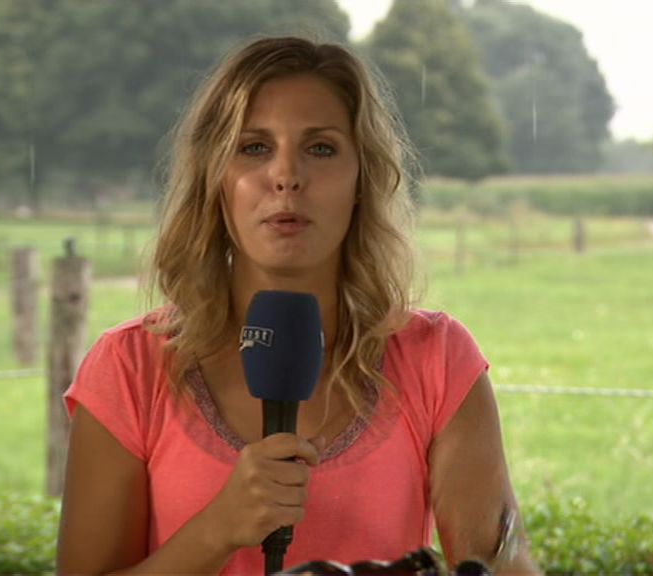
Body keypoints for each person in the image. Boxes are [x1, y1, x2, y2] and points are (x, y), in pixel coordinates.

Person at [55, 36, 540, 575]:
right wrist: (216, 530)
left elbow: (499, 561)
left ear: (362, 179)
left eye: (321, 148)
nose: (286, 176)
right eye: (254, 147)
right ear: (216, 179)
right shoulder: (129, 367)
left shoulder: (437, 359)